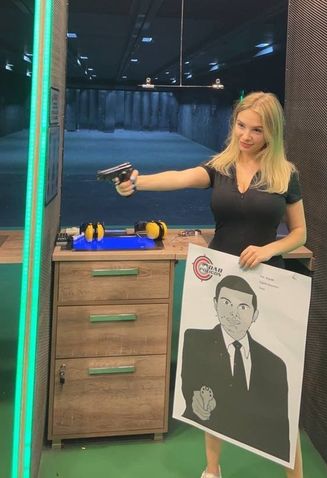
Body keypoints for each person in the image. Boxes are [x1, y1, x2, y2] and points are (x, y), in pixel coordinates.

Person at [115, 91, 307, 478]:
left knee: (276, 390)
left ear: (272, 132)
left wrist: (268, 250)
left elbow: (300, 233)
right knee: (213, 379)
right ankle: (212, 469)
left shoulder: (286, 174)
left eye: (257, 130)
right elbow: (180, 178)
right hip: (219, 283)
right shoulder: (220, 167)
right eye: (241, 126)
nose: (246, 135)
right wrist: (138, 183)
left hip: (267, 285)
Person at [181, 274, 290, 461]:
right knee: (209, 417)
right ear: (215, 304)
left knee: (287, 430)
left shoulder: (275, 364)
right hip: (227, 260)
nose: (233, 314)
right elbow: (190, 386)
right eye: (226, 303)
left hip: (268, 273)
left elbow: (280, 426)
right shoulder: (195, 341)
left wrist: (265, 254)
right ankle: (212, 469)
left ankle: (296, 474)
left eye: (243, 307)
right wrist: (196, 400)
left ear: (255, 314)